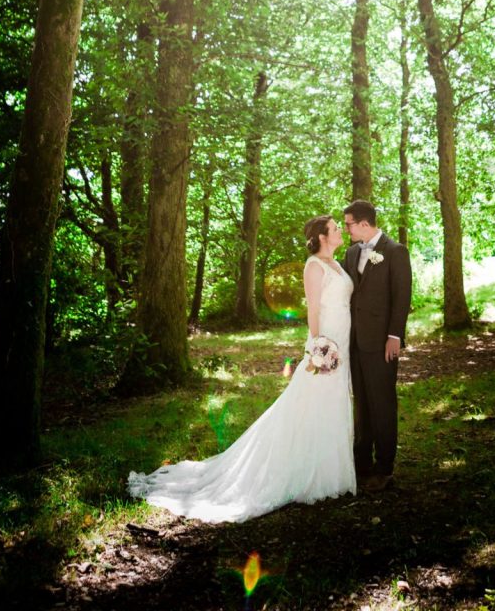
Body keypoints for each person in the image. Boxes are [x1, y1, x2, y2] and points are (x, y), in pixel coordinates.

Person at [127, 215, 356, 522]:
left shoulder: (338, 264)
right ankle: (308, 474)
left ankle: (332, 471)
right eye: (336, 228)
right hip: (325, 345)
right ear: (323, 236)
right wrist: (319, 346)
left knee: (333, 403)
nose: (341, 230)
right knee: (313, 403)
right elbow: (313, 308)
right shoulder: (313, 265)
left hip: (343, 341)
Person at [343, 199, 412, 492]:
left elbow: (402, 296)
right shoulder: (350, 253)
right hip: (354, 342)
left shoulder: (395, 252)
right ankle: (362, 465)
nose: (346, 229)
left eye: (348, 224)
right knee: (362, 405)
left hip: (382, 342)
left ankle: (384, 467)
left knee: (382, 404)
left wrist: (394, 336)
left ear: (363, 224)